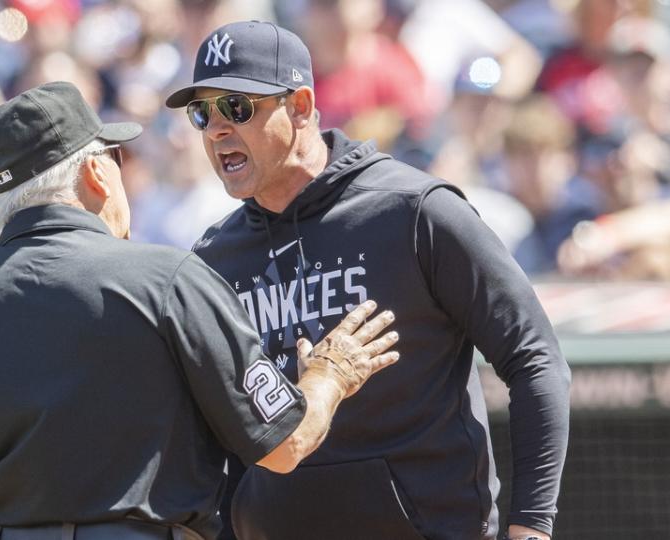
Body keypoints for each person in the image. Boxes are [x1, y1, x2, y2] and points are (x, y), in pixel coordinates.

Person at [0, 81, 400, 540]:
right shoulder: (166, 279)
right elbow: (286, 443)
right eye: (116, 157)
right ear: (96, 173)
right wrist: (329, 374)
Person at [165, 20, 571, 540]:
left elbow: (534, 356)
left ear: (303, 107)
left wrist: (531, 525)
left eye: (237, 107)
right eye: (202, 113)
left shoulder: (414, 211)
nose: (217, 129)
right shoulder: (214, 258)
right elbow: (209, 438)